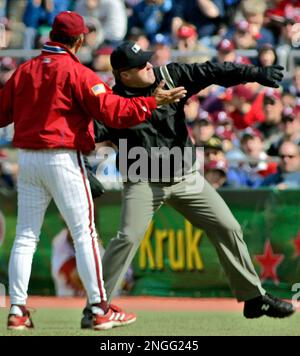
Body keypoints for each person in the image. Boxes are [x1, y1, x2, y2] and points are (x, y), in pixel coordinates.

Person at [81, 41, 295, 327]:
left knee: (228, 226)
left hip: (185, 178)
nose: (149, 64)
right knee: (128, 238)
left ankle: (253, 299)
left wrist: (254, 72)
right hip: (143, 181)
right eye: (140, 64)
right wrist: (83, 170)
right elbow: (82, 137)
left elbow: (214, 71)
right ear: (124, 74)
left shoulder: (170, 75)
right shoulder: (113, 102)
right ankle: (96, 307)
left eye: (147, 59)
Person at [0, 11, 186, 331]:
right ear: (80, 39)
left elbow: (2, 114)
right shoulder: (77, 72)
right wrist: (151, 102)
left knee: (26, 236)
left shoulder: (25, 70)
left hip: (28, 159)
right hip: (62, 157)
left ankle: (17, 310)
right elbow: (113, 112)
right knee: (84, 234)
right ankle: (100, 309)